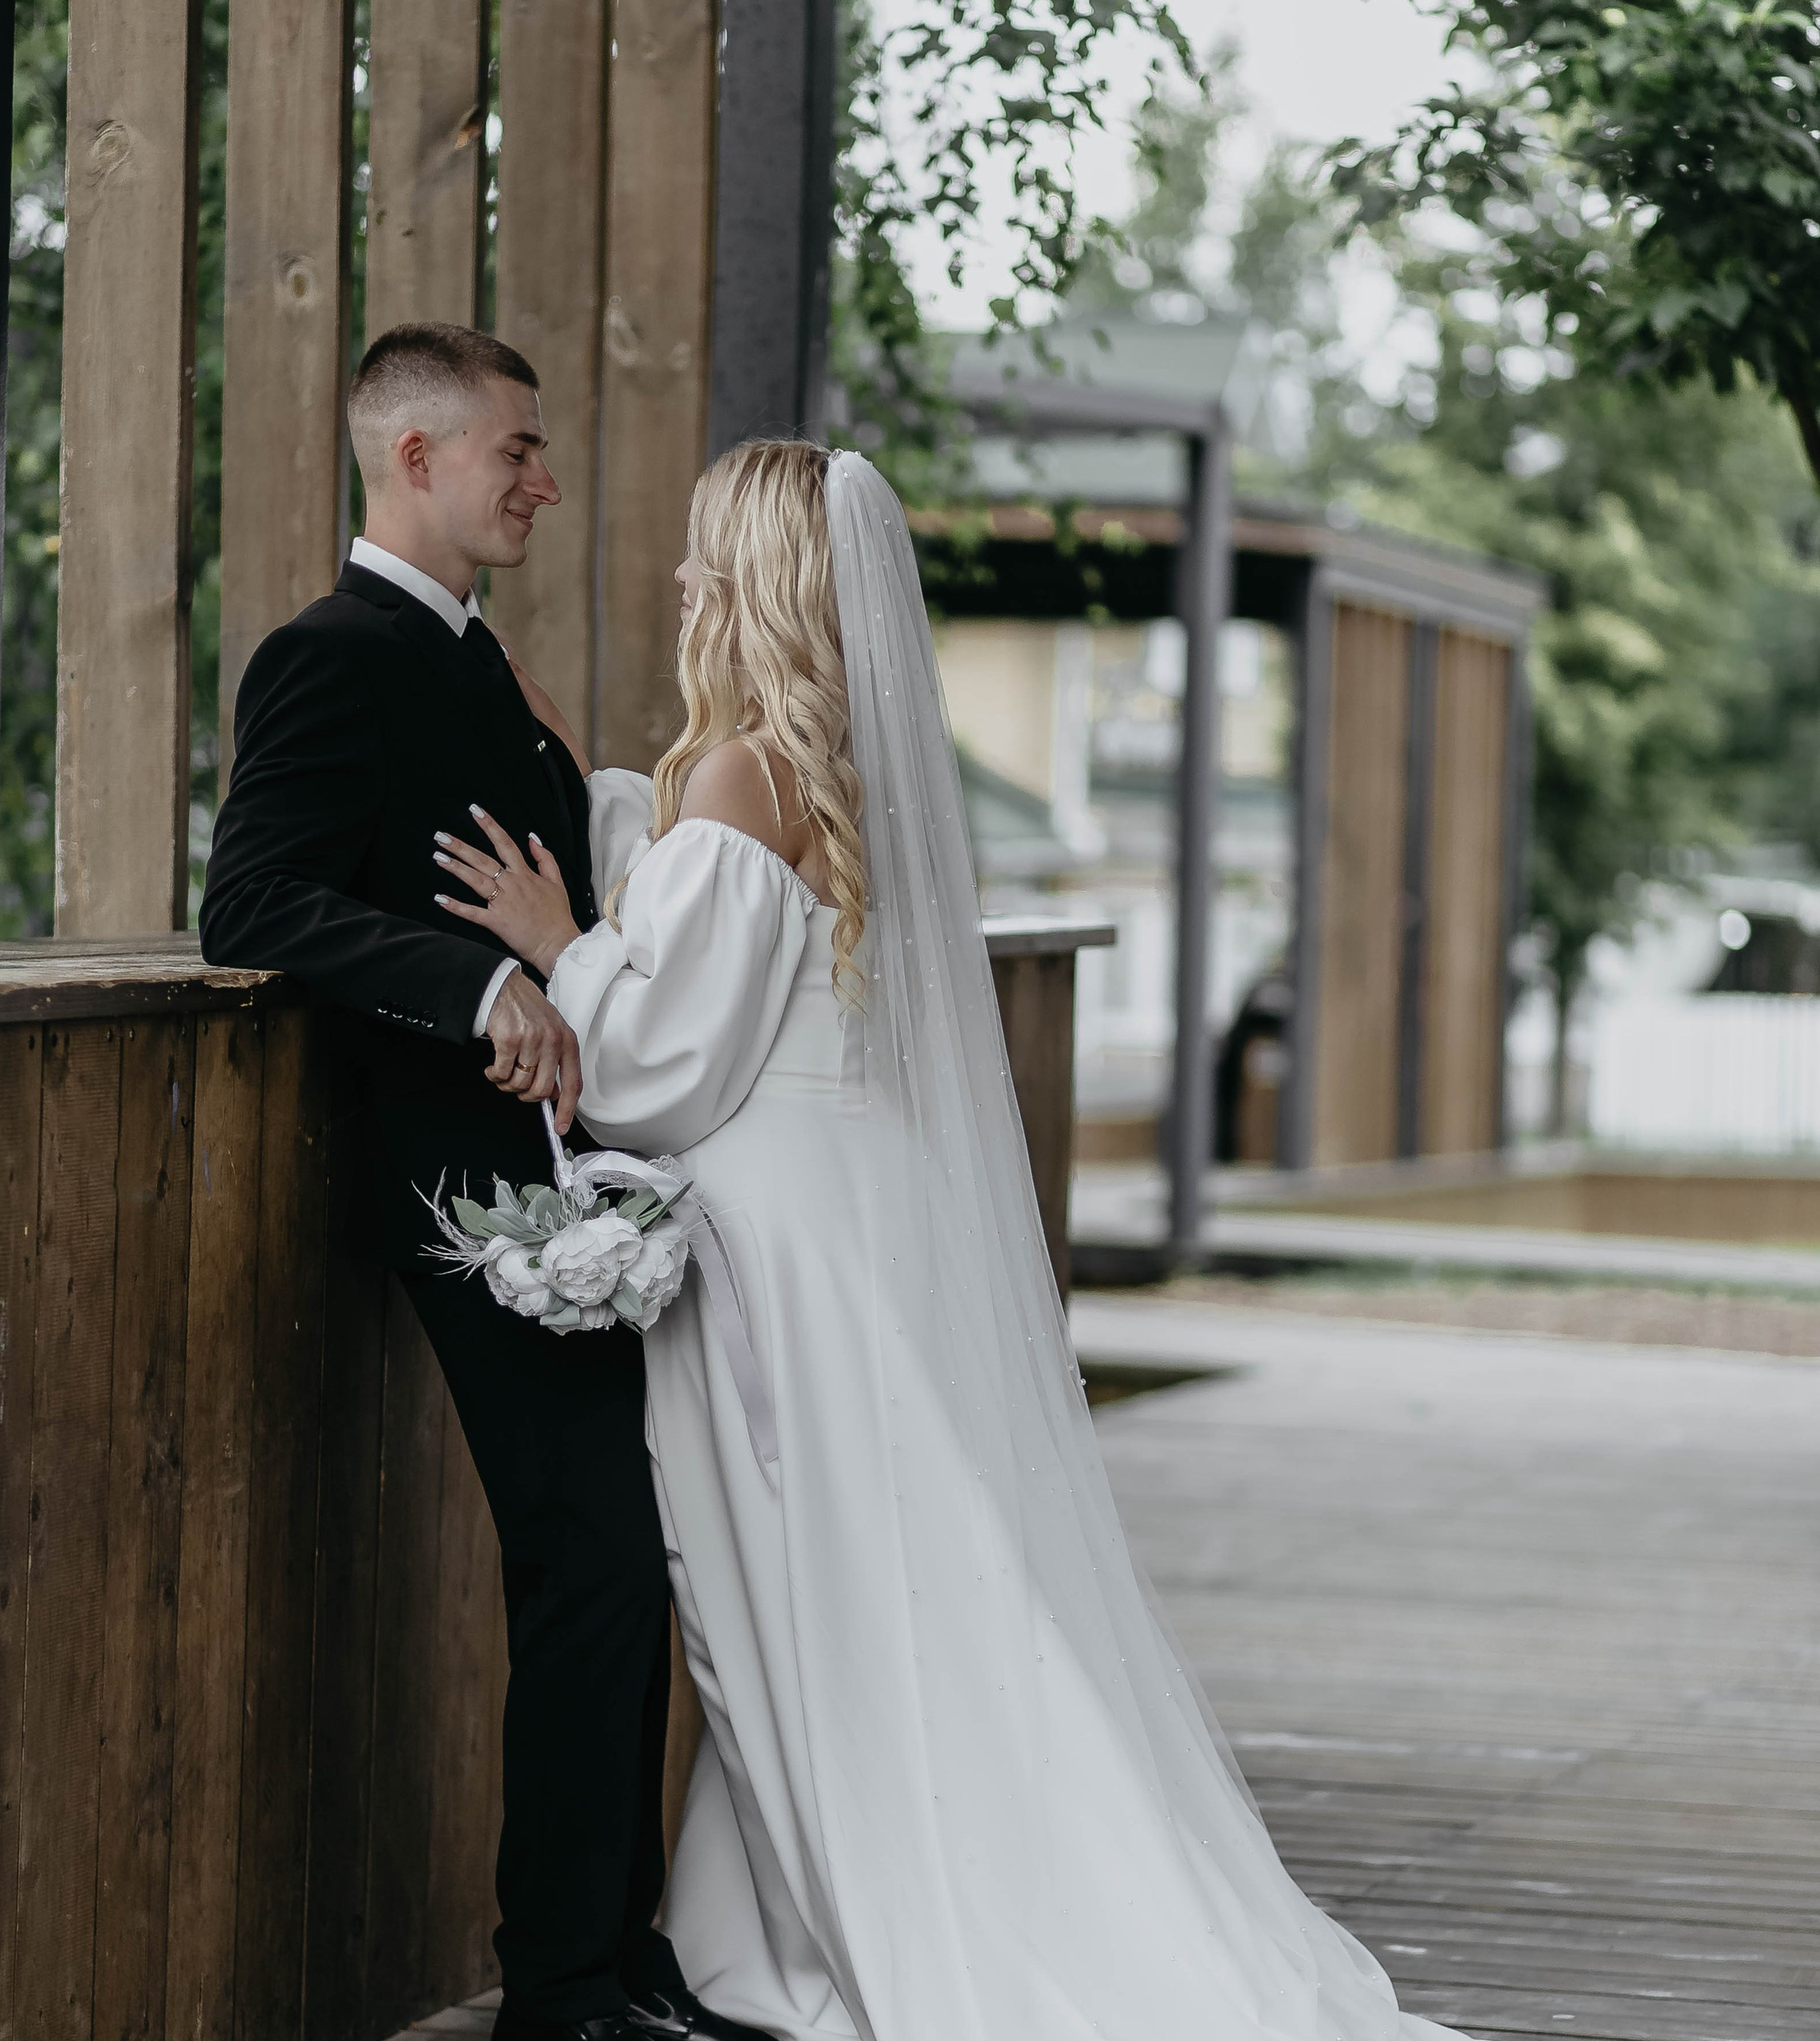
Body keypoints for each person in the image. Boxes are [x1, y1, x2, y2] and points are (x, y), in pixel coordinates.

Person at [435, 440, 1469, 2041]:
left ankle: (868, 1907)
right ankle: (806, 1901)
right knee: (884, 1573)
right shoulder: (812, 766)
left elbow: (664, 1065)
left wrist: (562, 943)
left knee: (805, 1589)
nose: (684, 581)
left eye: (709, 556)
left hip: (772, 1254)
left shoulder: (740, 777)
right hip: (842, 1225)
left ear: (764, 579)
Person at [199, 323, 767, 2041]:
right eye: (513, 448)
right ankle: (565, 1986)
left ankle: (616, 1951)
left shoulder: (476, 663)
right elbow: (254, 903)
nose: (542, 476)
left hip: (563, 1190)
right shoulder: (330, 654)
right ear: (415, 459)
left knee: (621, 1561)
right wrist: (476, 987)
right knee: (593, 1558)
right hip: (458, 1190)